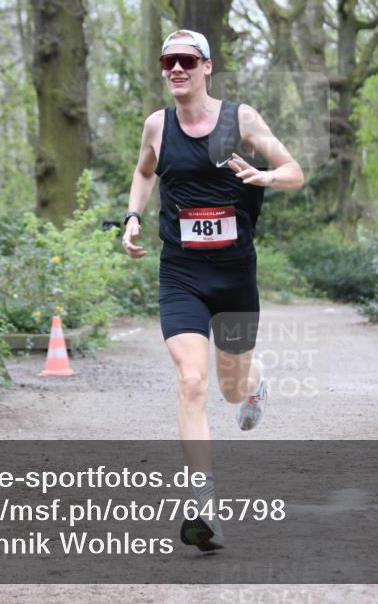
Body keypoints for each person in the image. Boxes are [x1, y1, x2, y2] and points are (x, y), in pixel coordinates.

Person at [122, 29, 304, 551]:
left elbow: (295, 172)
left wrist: (263, 178)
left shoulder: (240, 119)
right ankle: (202, 503)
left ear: (206, 66)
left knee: (229, 387)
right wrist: (133, 215)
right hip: (181, 272)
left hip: (234, 274)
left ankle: (255, 378)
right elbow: (143, 172)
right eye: (167, 61)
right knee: (192, 380)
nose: (175, 68)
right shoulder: (158, 125)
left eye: (186, 60)